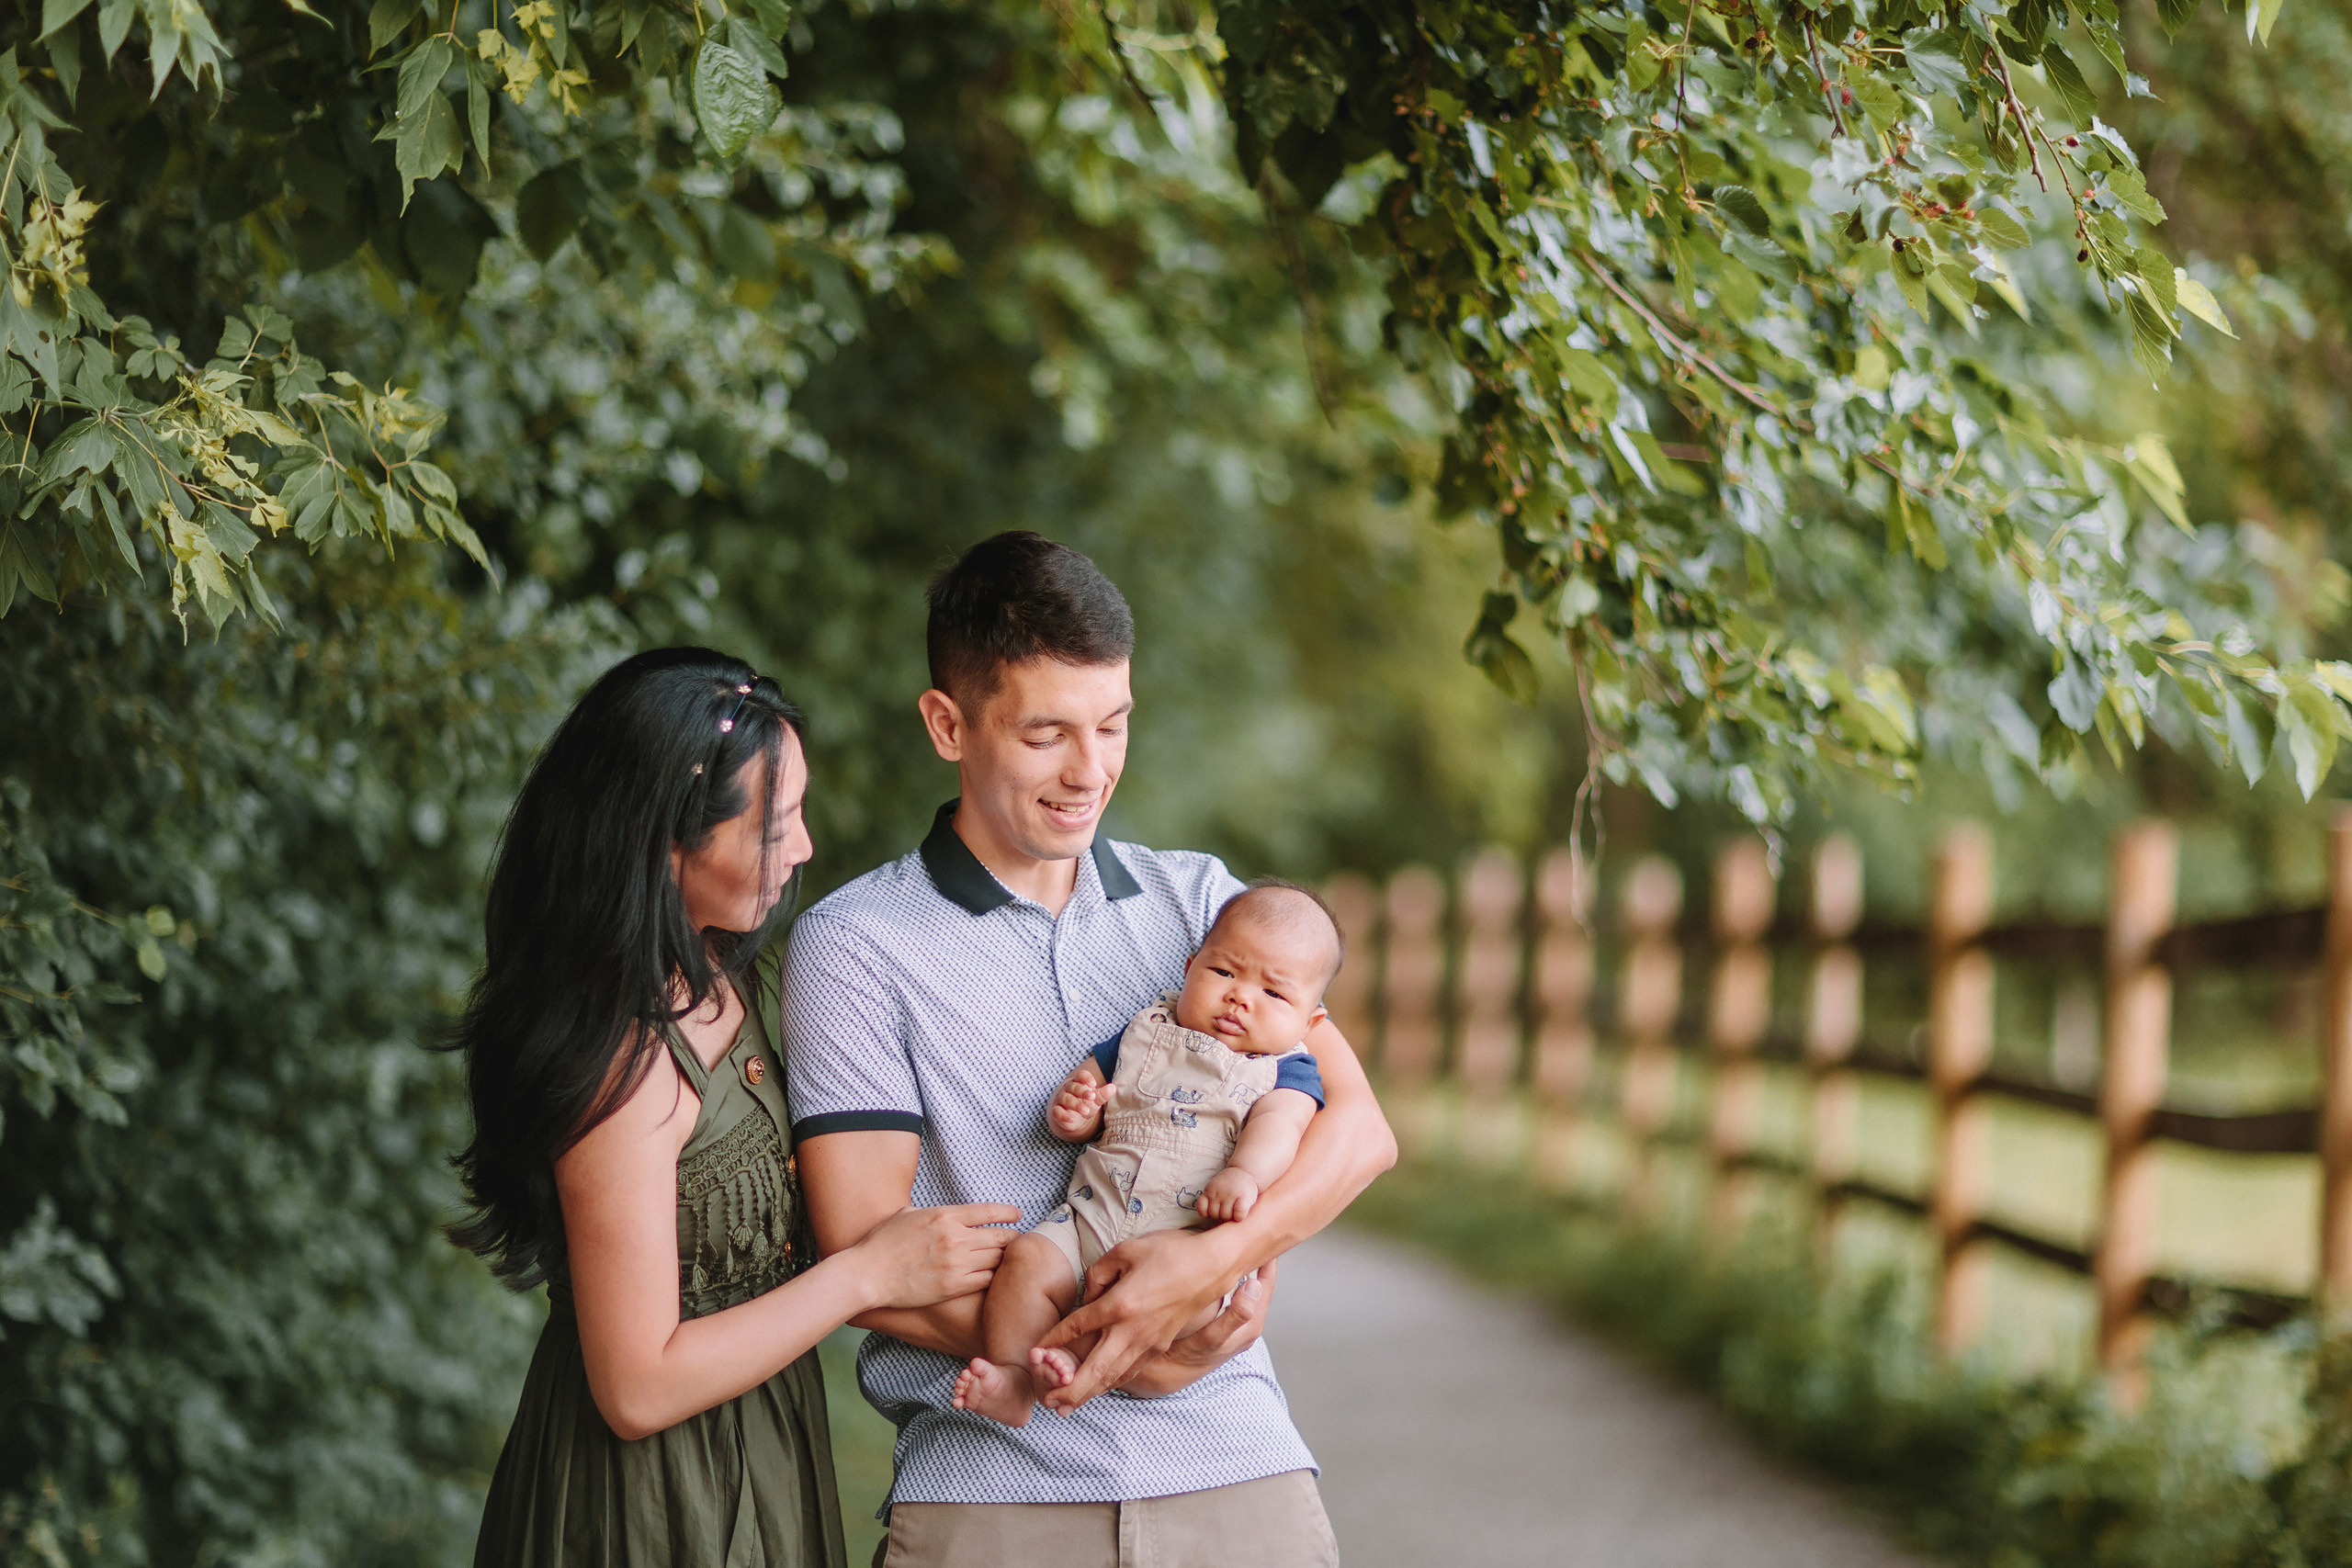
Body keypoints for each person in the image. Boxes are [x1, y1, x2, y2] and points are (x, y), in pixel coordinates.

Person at [785, 534, 1398, 1567]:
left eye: (1112, 725)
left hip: (1236, 1464)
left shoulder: (1205, 907)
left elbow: (1361, 1133)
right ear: (947, 724)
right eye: (1047, 734)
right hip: (995, 1486)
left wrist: (1208, 1266)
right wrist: (1129, 1343)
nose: (1090, 771)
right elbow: (865, 1253)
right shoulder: (856, 945)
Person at [447, 648, 1019, 1568]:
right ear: (665, 840)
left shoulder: (721, 973)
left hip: (759, 1449)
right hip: (645, 1501)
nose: (804, 848)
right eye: (774, 825)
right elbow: (636, 1387)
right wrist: (866, 1275)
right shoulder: (623, 1062)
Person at [950, 881, 1344, 1429]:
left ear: (1311, 1022)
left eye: (1274, 994)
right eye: (1223, 972)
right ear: (1190, 967)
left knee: (1186, 1309)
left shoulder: (1284, 1069)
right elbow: (1091, 1087)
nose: (1240, 997)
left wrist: (1244, 1173)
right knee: (1026, 1261)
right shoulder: (1145, 1029)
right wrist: (1076, 1114)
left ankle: (1073, 1359)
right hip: (1088, 1220)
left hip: (1182, 1241)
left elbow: (1282, 1126)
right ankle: (1016, 1378)